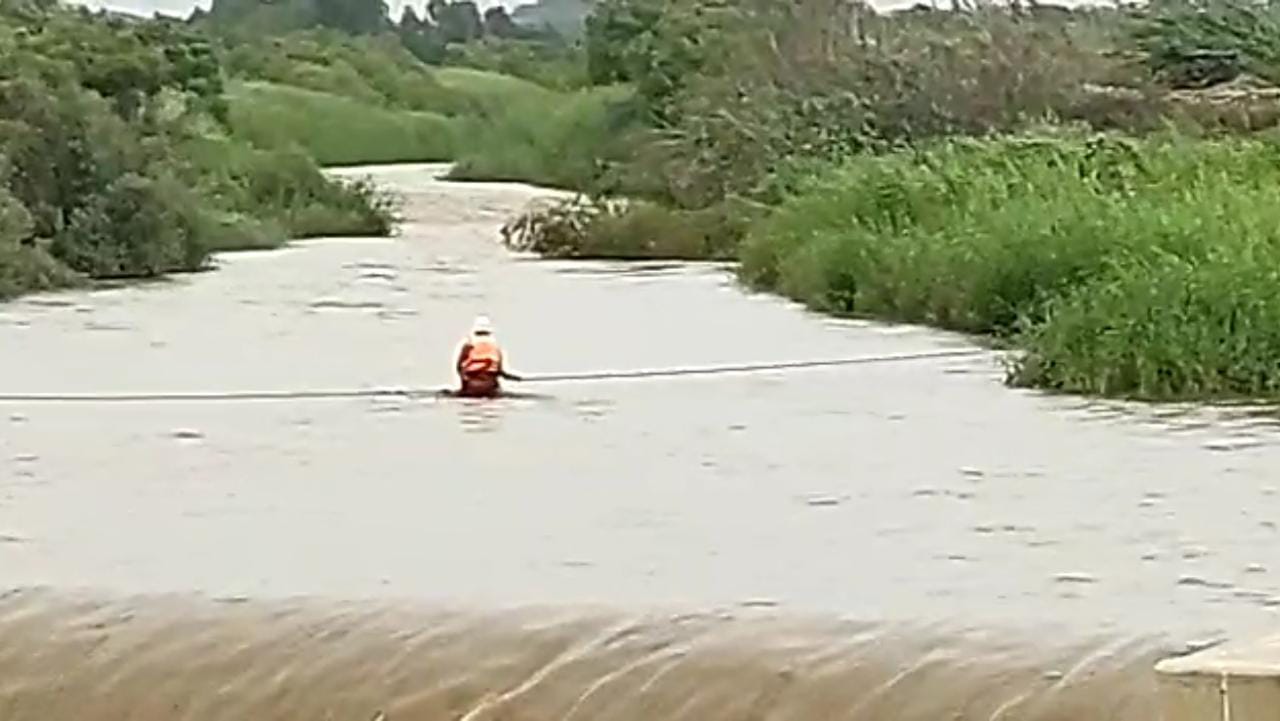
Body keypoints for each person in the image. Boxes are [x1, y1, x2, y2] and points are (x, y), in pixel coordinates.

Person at [455, 315, 521, 398]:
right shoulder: (495, 348)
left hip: (471, 387)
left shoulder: (468, 345)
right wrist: (515, 378)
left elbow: (459, 368)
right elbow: (501, 372)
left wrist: (464, 385)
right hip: (489, 387)